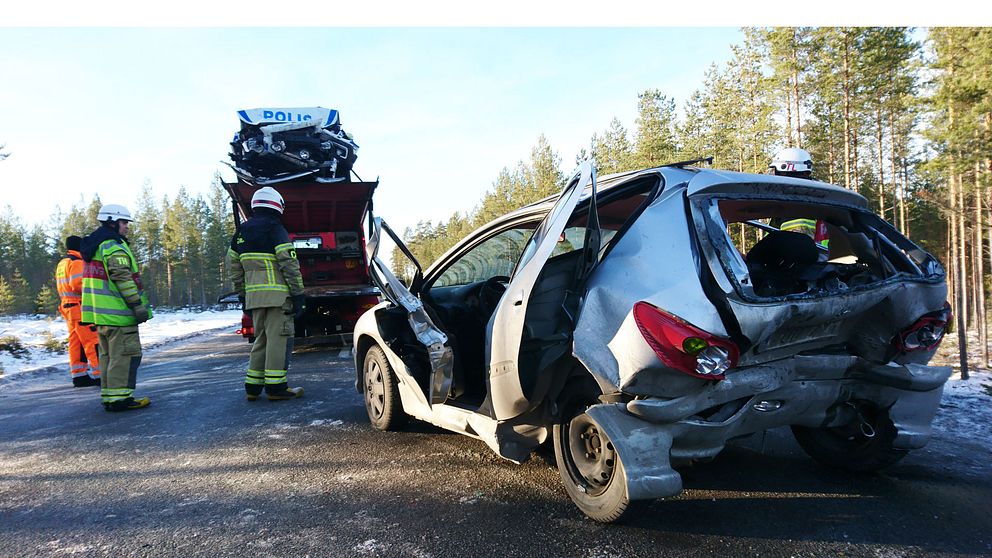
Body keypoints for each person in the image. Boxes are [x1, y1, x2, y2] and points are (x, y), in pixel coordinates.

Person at [226, 186, 306, 402]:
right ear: (276, 205)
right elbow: (289, 263)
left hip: (254, 299)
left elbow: (233, 267)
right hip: (278, 298)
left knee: (260, 339)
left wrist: (242, 294)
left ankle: (252, 386)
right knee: (278, 340)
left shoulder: (241, 232)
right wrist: (298, 294)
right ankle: (276, 387)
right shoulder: (275, 229)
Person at [80, 204, 153, 412]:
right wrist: (137, 305)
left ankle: (110, 396)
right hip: (120, 315)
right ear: (113, 222)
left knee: (107, 357)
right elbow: (123, 278)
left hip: (101, 316)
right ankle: (121, 399)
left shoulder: (94, 246)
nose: (127, 228)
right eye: (124, 223)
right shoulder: (113, 245)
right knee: (125, 356)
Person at [55, 235, 101, 387]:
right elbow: (78, 284)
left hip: (67, 307)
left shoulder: (63, 263)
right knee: (92, 340)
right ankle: (100, 374)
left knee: (76, 342)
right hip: (78, 306)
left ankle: (79, 375)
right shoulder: (77, 262)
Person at [768, 147, 829, 249]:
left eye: (776, 170)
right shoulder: (820, 197)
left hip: (802, 263)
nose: (774, 175)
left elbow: (793, 248)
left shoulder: (796, 204)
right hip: (825, 261)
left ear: (783, 171)